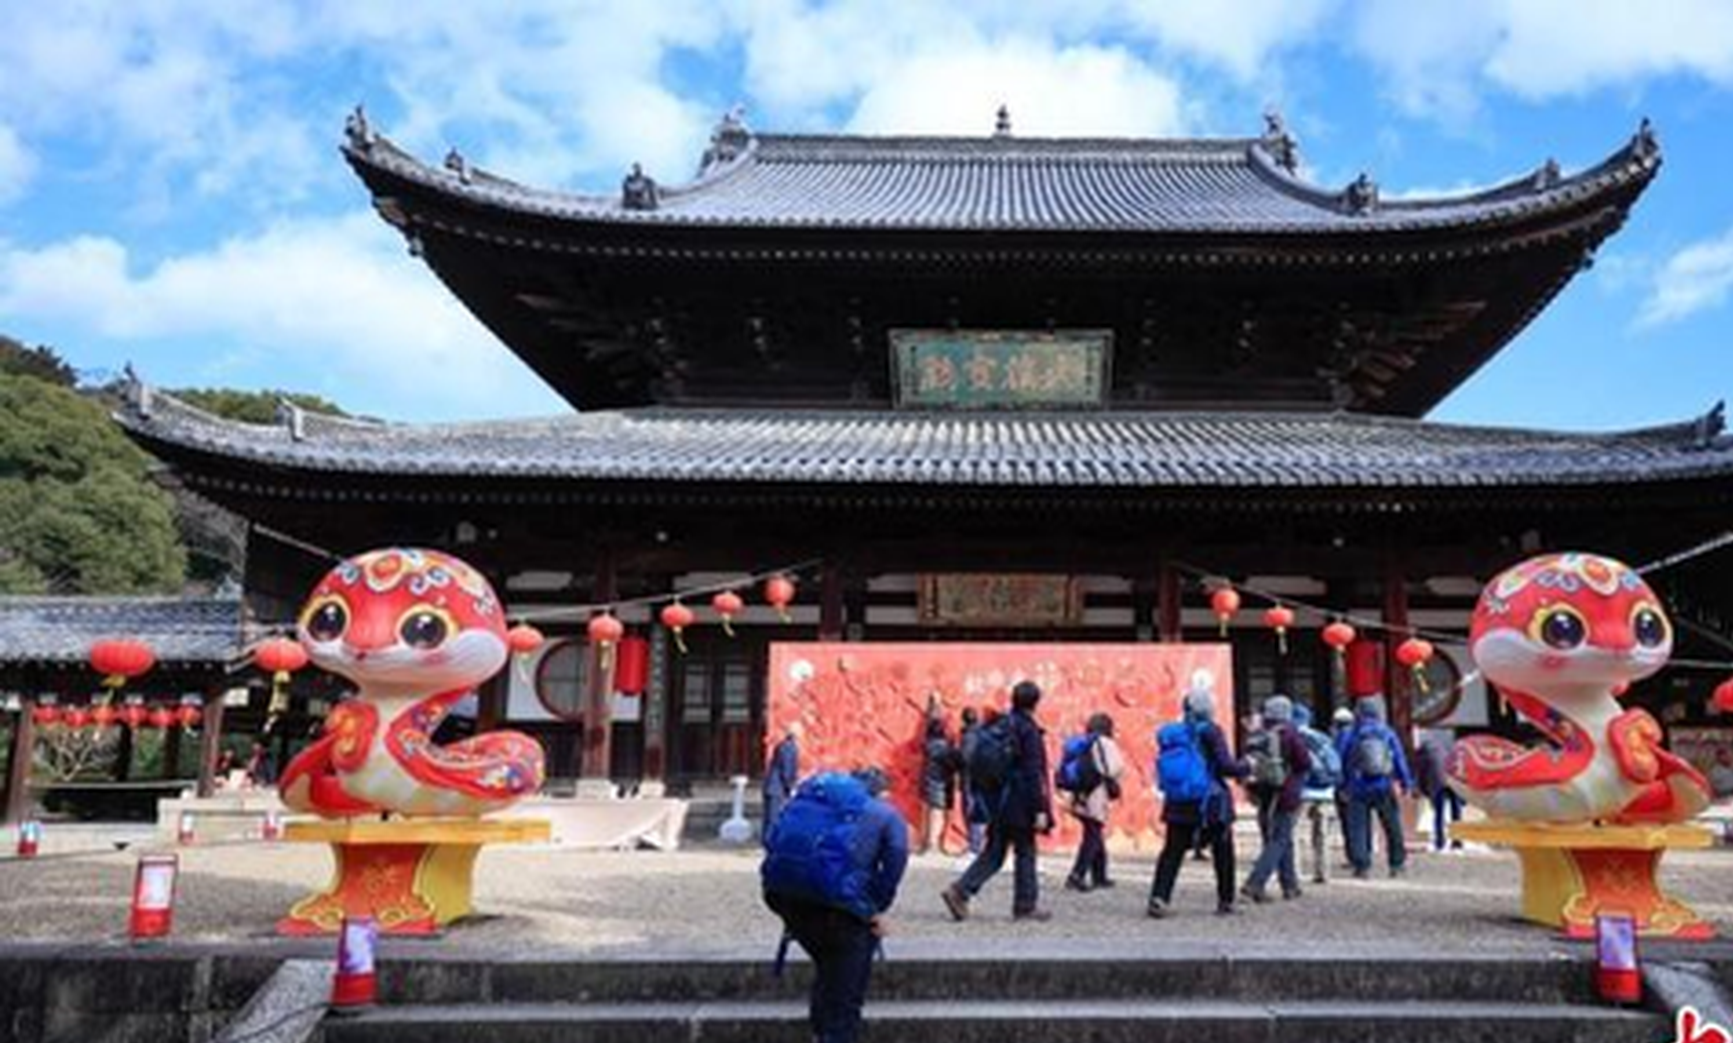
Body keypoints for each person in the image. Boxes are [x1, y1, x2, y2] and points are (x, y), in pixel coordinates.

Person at [763, 767, 909, 1043]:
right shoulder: (886, 816)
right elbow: (893, 866)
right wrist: (873, 909)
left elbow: (772, 842)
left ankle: (819, 1033)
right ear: (882, 792)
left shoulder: (811, 805)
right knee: (845, 998)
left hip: (788, 900)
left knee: (828, 971)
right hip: (840, 909)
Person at [942, 681, 1053, 921]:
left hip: (997, 800)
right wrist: (1040, 808)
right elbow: (1034, 772)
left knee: (994, 852)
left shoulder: (1001, 724)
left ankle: (960, 890)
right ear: (1035, 703)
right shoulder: (1028, 729)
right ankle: (1025, 906)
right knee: (1025, 851)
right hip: (1021, 802)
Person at [1148, 682, 1247, 917]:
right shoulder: (1211, 731)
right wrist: (1246, 766)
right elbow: (1225, 766)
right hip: (1210, 802)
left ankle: (1159, 897)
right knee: (1223, 850)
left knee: (1172, 851)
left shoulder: (1174, 733)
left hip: (1178, 801)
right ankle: (1226, 901)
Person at [1241, 695, 1311, 903]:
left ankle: (1290, 886)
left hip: (1262, 793)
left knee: (1281, 838)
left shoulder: (1258, 734)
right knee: (1279, 839)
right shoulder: (1290, 733)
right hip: (1285, 793)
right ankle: (1254, 883)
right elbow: (1304, 762)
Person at [1338, 697, 1414, 878]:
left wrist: (1342, 785)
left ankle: (1362, 865)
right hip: (1383, 784)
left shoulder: (1350, 733)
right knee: (1392, 825)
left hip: (1357, 787)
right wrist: (1406, 783)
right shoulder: (1387, 733)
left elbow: (1340, 760)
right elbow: (1399, 759)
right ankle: (1396, 863)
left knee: (1358, 827)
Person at [1062, 712, 1126, 892]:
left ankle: (1100, 875)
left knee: (1094, 832)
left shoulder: (1083, 742)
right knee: (1092, 835)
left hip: (1080, 793)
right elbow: (1115, 768)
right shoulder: (1105, 743)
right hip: (1096, 794)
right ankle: (1077, 875)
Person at [1292, 704, 1341, 884]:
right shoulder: (1322, 738)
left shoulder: (1293, 737)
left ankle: (1295, 872)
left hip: (1303, 791)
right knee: (1322, 834)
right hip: (1326, 791)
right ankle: (1322, 872)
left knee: (1294, 832)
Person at [1415, 730, 1463, 852]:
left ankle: (1440, 842)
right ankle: (1457, 841)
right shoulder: (1450, 749)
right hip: (1454, 782)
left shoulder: (1425, 753)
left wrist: (1422, 790)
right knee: (1456, 813)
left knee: (1439, 813)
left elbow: (1421, 774)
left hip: (1438, 783)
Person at [919, 716, 958, 854]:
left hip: (928, 781)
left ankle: (926, 841)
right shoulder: (945, 748)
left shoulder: (927, 744)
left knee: (929, 812)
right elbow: (954, 764)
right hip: (941, 782)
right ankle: (933, 843)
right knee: (938, 813)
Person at [763, 722, 802, 842]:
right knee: (772, 818)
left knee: (772, 818)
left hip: (775, 787)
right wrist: (791, 787)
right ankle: (769, 843)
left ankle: (769, 842)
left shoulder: (786, 745)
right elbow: (787, 769)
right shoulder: (788, 747)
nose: (802, 733)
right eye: (800, 731)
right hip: (776, 788)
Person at [957, 707, 986, 854]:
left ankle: (975, 845)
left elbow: (965, 758)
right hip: (981, 778)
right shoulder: (982, 733)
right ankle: (976, 843)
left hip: (970, 778)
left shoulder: (969, 736)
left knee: (971, 810)